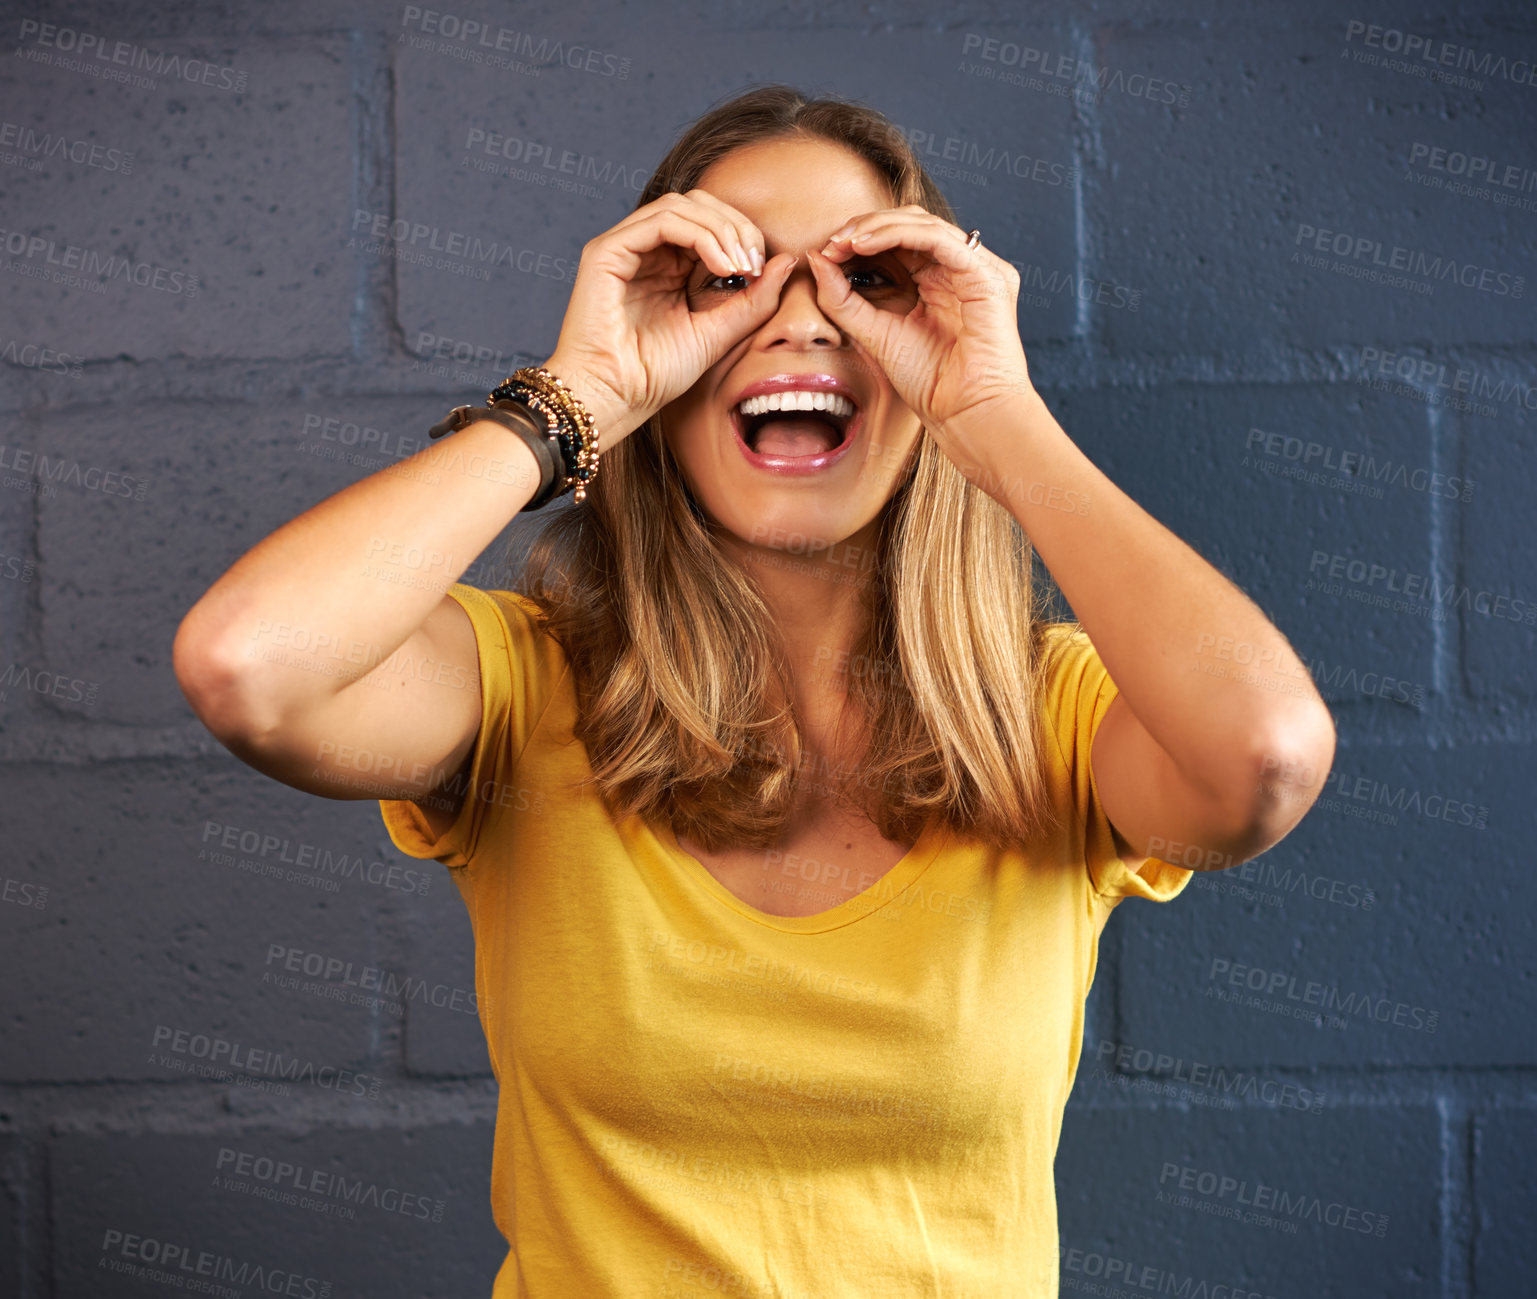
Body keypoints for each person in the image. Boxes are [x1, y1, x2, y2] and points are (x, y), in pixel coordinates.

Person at [174, 84, 1335, 1298]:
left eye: (865, 282)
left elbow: (1262, 756)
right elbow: (251, 666)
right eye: (726, 279)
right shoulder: (524, 686)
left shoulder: (1050, 717)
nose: (802, 325)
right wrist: (578, 398)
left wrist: (995, 416)